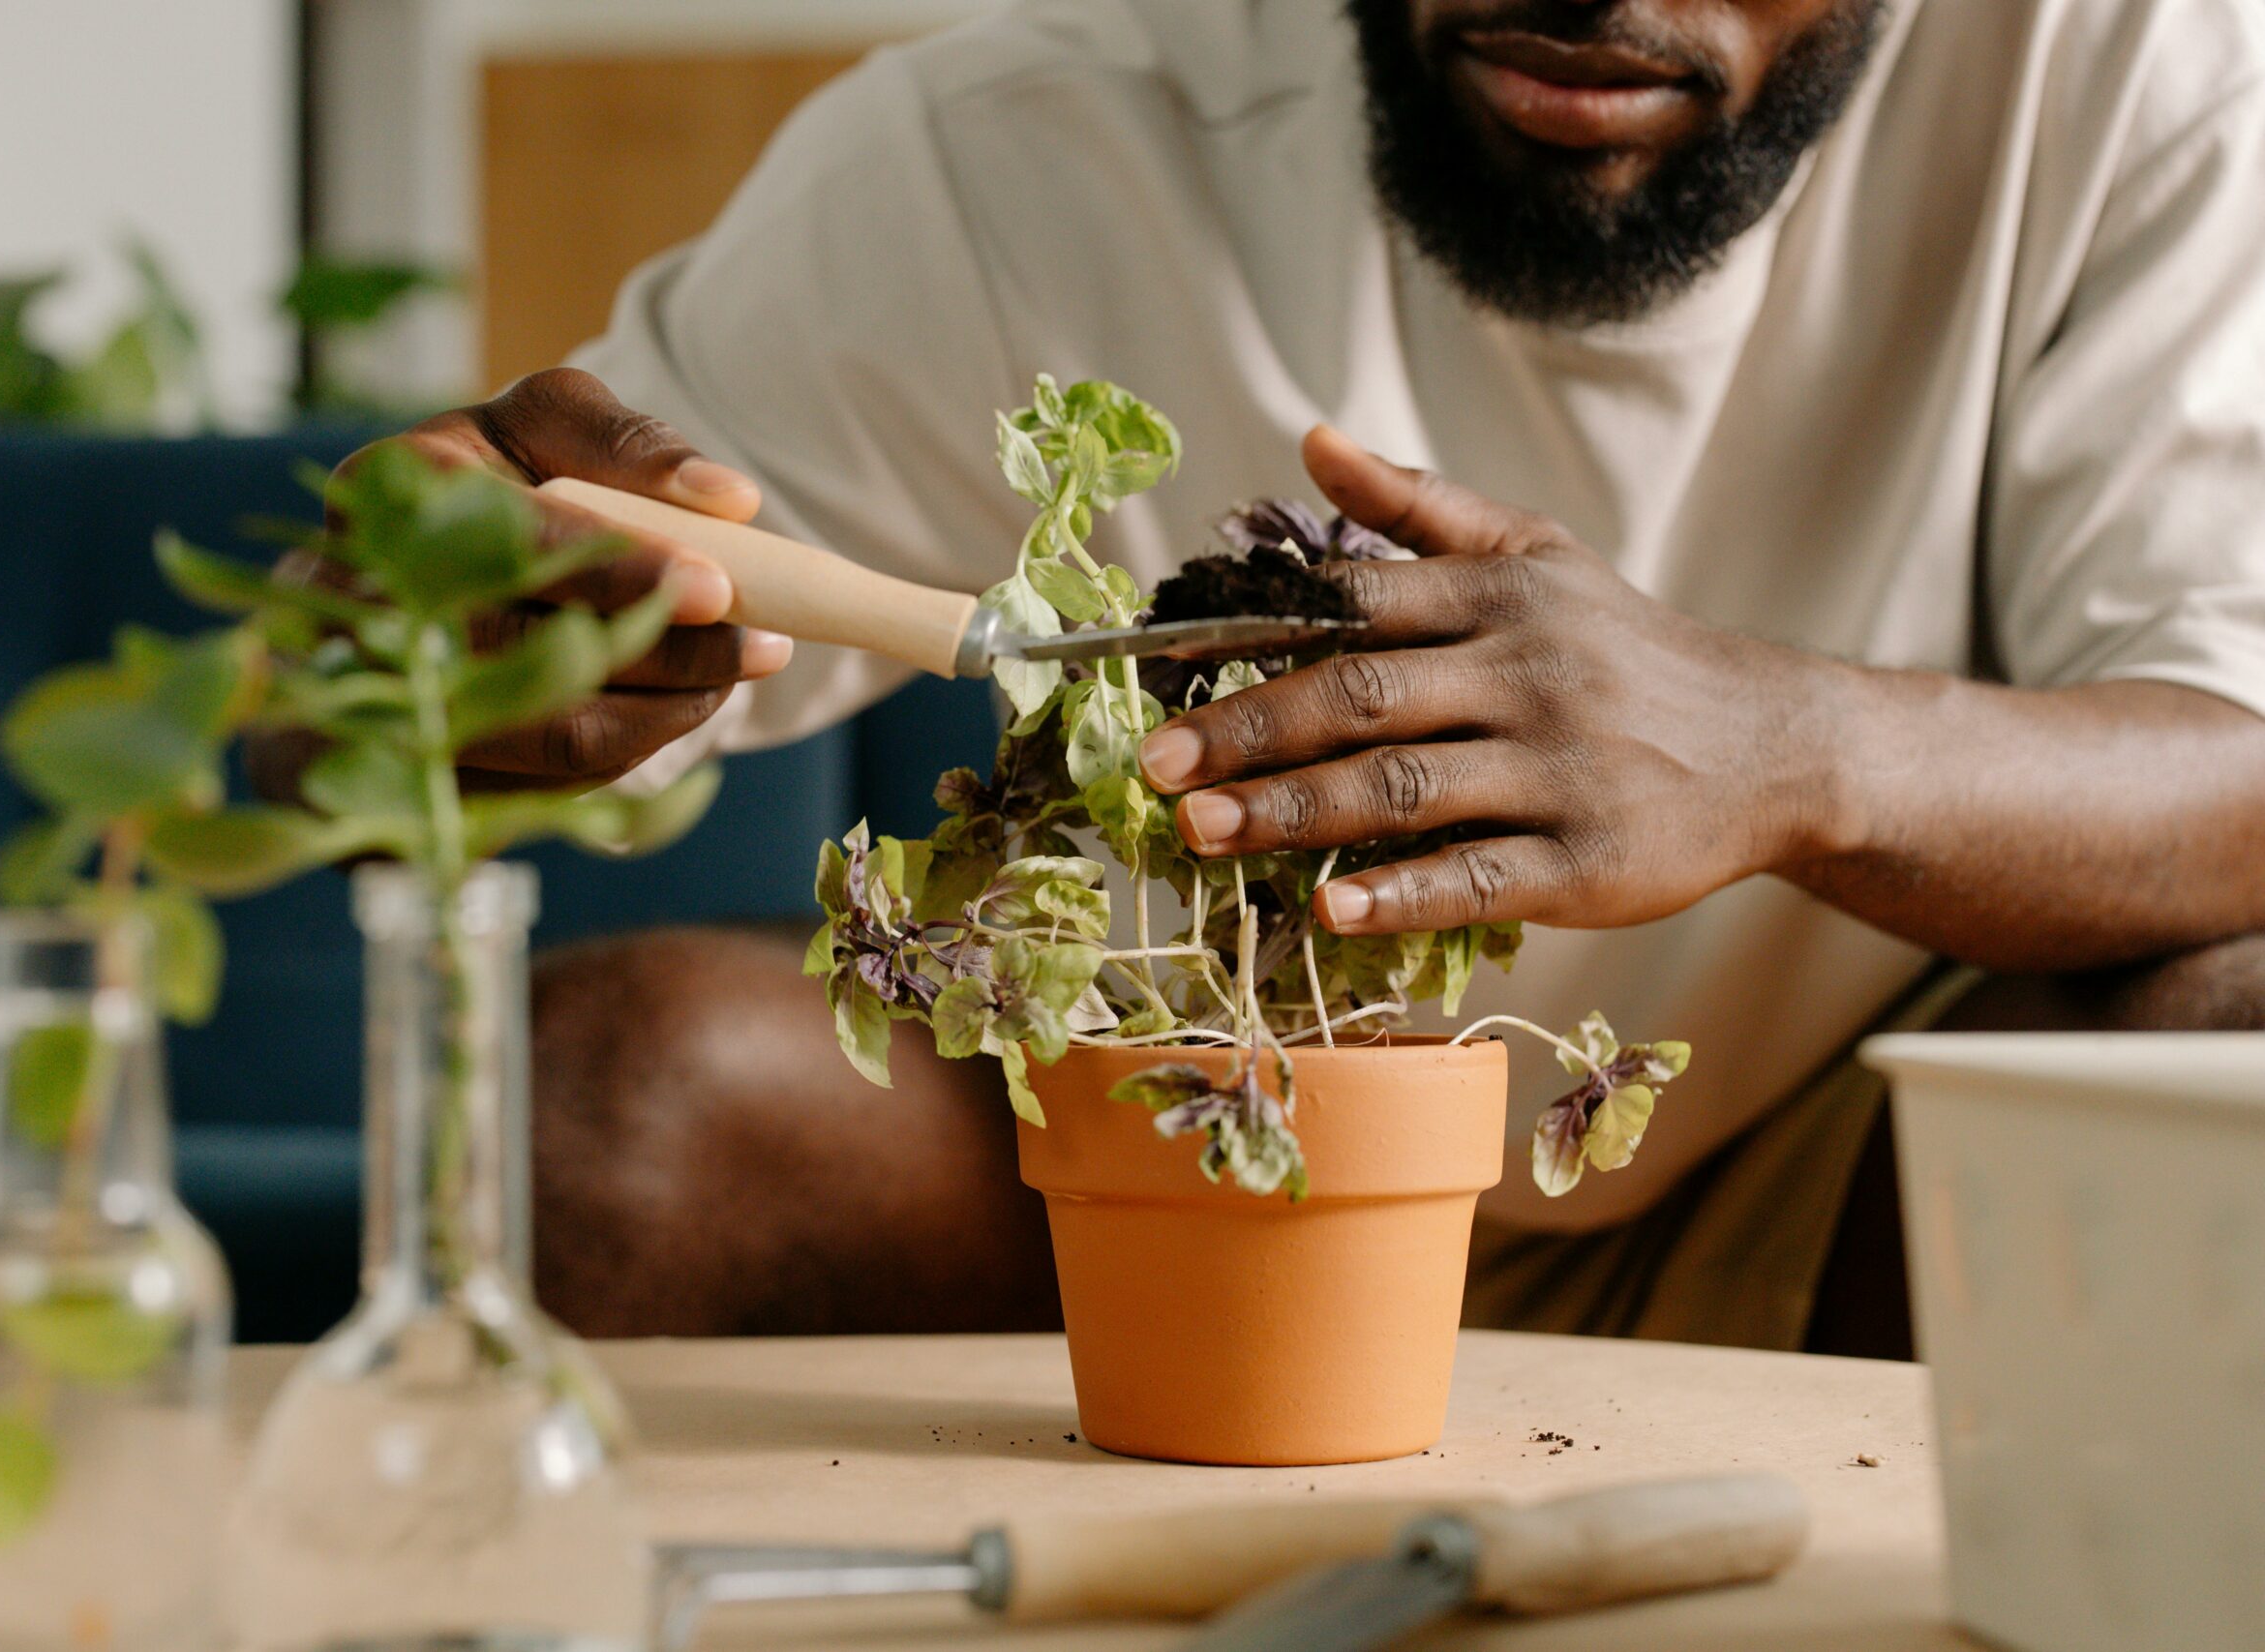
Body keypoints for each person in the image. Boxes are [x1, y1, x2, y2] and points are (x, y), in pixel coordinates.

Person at [311, 0, 2265, 1354]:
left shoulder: (2135, 80)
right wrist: (415, 658)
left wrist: (1778, 748)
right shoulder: (1026, 137)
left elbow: (2235, 766)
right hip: (1170, 1172)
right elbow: (466, 632)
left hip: (1830, 1195)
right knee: (621, 1102)